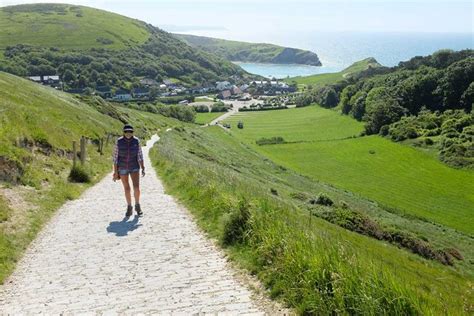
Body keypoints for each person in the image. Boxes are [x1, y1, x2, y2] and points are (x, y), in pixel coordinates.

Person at [112, 124, 145, 217]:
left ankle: (137, 205)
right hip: (122, 167)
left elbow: (140, 155)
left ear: (133, 132)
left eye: (130, 131)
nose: (128, 133)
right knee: (127, 188)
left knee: (136, 187)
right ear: (123, 132)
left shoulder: (136, 141)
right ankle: (129, 207)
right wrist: (115, 172)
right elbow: (115, 158)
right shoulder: (119, 141)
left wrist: (143, 167)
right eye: (126, 131)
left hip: (134, 166)